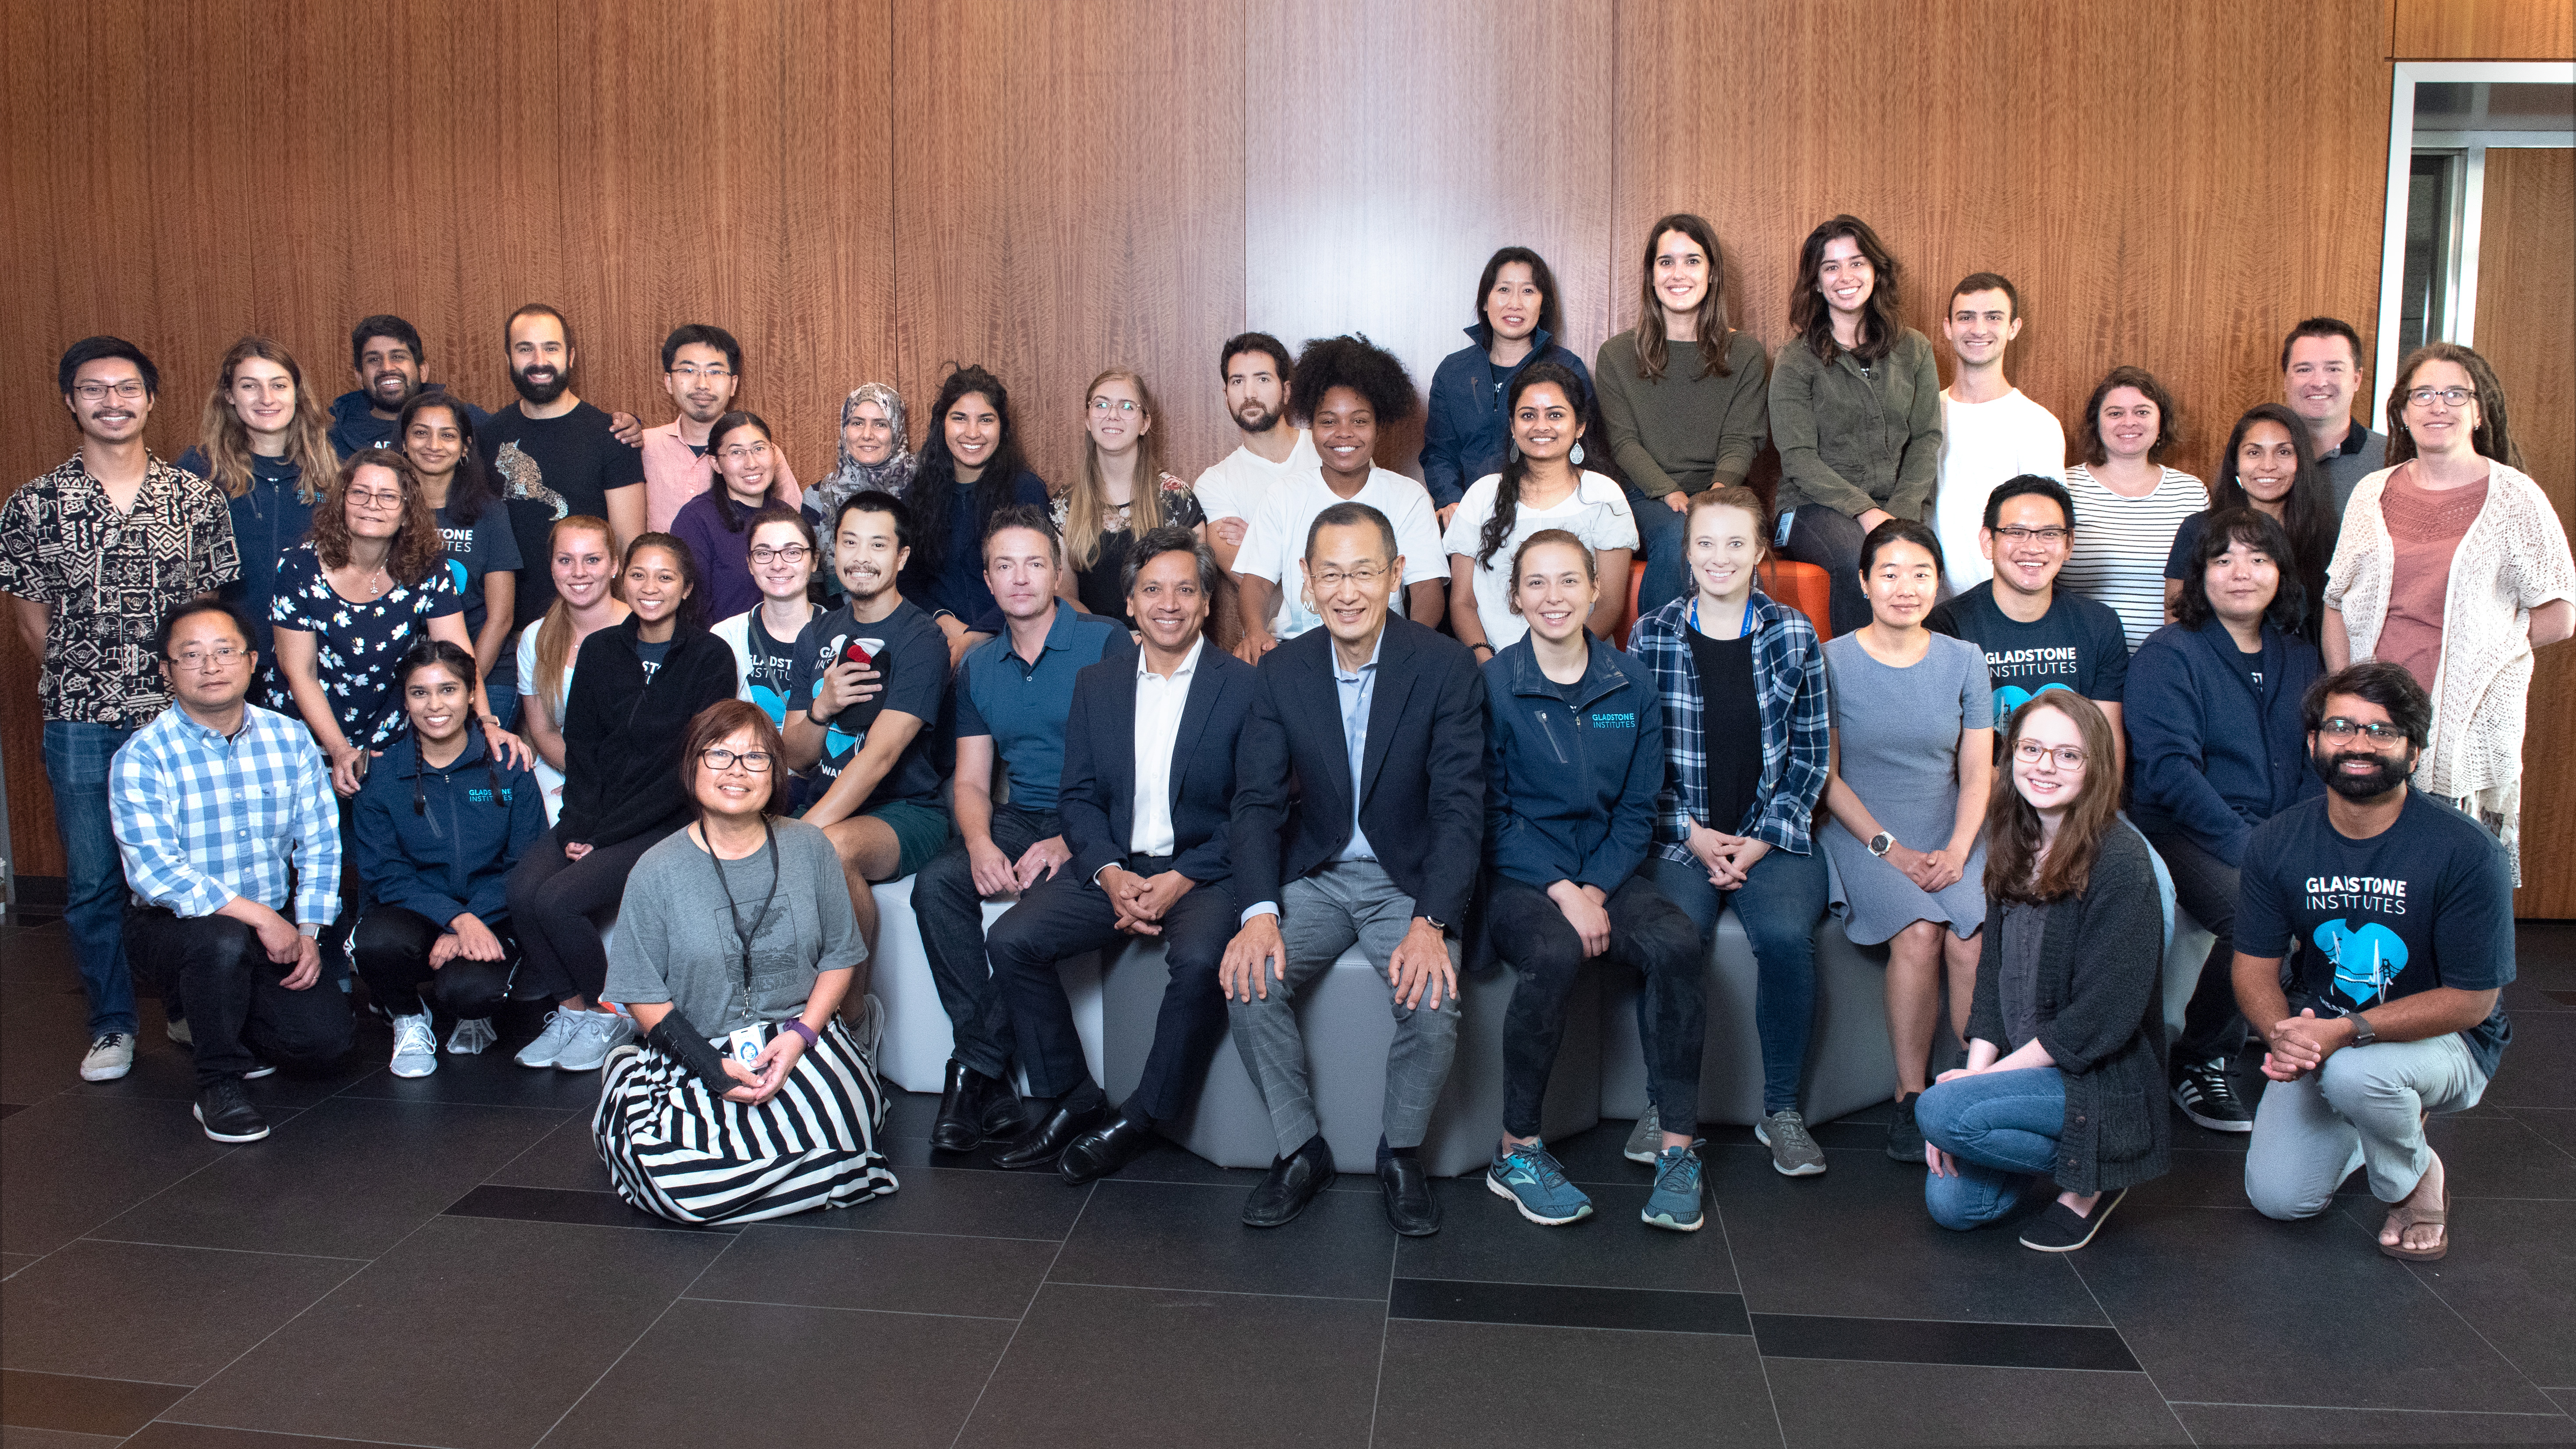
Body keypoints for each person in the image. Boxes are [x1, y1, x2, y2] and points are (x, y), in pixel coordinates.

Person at [1222, 502, 1483, 1237]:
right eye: (1330, 574)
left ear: (1397, 575)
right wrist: (1259, 912)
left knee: (1432, 1006)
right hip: (1319, 873)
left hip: (1408, 879)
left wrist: (1432, 922)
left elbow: (1463, 809)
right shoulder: (1281, 673)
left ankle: (1401, 1154)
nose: (1347, 591)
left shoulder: (1444, 668)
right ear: (1304, 581)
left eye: (1364, 572)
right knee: (1249, 982)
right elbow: (1255, 804)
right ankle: (1300, 1148)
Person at [982, 527, 1256, 1181]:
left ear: (1207, 603)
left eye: (1186, 589)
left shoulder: (1243, 687)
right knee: (1013, 939)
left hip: (1204, 870)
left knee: (1196, 960)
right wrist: (1109, 875)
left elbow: (1256, 810)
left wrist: (1183, 878)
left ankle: (1144, 1114)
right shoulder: (1097, 683)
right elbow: (1077, 798)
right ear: (1129, 603)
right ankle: (1075, 1096)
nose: (1170, 603)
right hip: (1115, 864)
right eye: (1152, 589)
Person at [4, 338, 241, 1082]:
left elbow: (211, 613)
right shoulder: (34, 505)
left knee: (181, 872)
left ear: (151, 399)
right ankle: (111, 1024)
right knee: (95, 881)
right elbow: (30, 621)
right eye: (94, 389)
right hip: (81, 718)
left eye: (127, 388)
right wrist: (93, 681)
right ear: (71, 402)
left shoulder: (195, 498)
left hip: (178, 722)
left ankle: (182, 1002)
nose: (113, 401)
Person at [2237, 662, 2515, 1262]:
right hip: (2326, 1036)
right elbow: (2254, 968)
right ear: (2314, 743)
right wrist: (2284, 1038)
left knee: (2358, 1074)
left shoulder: (2466, 850)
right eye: (2341, 726)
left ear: (2413, 753)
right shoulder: (2278, 840)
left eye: (2383, 731)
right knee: (2281, 1197)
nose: (2359, 743)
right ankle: (2380, 1123)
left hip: (2450, 1041)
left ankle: (2415, 1181)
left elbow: (2474, 1000)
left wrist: (2341, 1034)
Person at [1480, 530, 1708, 1230]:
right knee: (1551, 952)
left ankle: (1677, 1149)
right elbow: (1489, 812)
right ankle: (1516, 1150)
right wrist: (1562, 891)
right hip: (1523, 874)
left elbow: (1640, 808)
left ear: (1595, 590)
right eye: (1537, 584)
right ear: (1516, 597)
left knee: (1679, 943)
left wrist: (1598, 889)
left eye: (1569, 582)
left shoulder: (1626, 684)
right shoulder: (1493, 684)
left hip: (1608, 871)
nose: (1554, 598)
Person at [594, 701, 896, 1225]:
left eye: (756, 758)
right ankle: (808, 1176)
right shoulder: (654, 869)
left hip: (797, 1038)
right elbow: (641, 991)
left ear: (776, 774)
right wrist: (710, 1067)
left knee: (842, 1125)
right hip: (692, 1045)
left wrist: (801, 1033)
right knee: (677, 1184)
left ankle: (781, 1173)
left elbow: (841, 955)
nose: (737, 770)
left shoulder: (810, 848)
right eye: (720, 754)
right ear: (692, 766)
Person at [1915, 692, 2169, 1251]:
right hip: (2026, 1065)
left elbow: (2100, 1019)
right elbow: (1993, 979)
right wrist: (1978, 1071)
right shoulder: (2014, 838)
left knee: (1938, 1108)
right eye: (2031, 748)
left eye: (2067, 754)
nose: (2044, 766)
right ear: (2009, 758)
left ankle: (2102, 1171)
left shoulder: (2120, 860)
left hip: (2096, 1077)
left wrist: (1979, 1088)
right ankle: (2059, 1146)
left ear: (2094, 766)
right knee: (1953, 1206)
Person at [1629, 488, 1832, 1179]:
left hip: (1770, 837)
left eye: (1736, 544)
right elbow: (1637, 753)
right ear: (1686, 553)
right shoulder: (1651, 632)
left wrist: (1763, 838)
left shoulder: (1794, 634)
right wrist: (1689, 830)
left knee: (1782, 939)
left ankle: (1782, 1112)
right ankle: (1664, 1104)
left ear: (1759, 552)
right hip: (1679, 833)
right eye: (1706, 543)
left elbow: (1811, 753)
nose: (1721, 557)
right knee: (1673, 940)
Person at [915, 508, 1131, 1152]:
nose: (1020, 578)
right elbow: (973, 783)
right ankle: (991, 1075)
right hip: (1019, 816)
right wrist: (981, 842)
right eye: (1004, 566)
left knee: (1031, 914)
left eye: (1034, 563)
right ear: (986, 579)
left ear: (1057, 571)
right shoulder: (981, 666)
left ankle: (969, 1073)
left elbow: (1133, 766)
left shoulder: (1106, 641)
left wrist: (1072, 840)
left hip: (1095, 816)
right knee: (937, 885)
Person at [2323, 343, 2574, 883]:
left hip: (2468, 717)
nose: (2438, 405)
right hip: (2375, 711)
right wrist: (2344, 691)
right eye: (2423, 394)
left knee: (2452, 873)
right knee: (2373, 871)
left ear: (2479, 410)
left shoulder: (2514, 497)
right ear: (2403, 411)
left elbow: (2558, 615)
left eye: (2454, 393)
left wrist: (2479, 650)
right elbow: (2336, 602)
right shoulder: (2372, 491)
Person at [111, 598, 349, 1142]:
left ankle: (208, 1016)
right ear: (167, 671)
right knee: (218, 941)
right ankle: (217, 1083)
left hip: (269, 925)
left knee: (323, 1045)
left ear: (252, 661)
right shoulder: (143, 755)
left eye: (225, 651)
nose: (211, 666)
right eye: (190, 656)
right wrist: (264, 918)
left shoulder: (289, 738)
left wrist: (309, 932)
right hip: (173, 926)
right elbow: (154, 872)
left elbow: (320, 843)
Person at [506, 534, 738, 1073]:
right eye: (638, 574)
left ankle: (610, 1012)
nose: (649, 587)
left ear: (684, 589)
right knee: (521, 891)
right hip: (596, 812)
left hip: (666, 819)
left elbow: (691, 766)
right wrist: (579, 824)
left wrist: (604, 837)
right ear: (622, 579)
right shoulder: (602, 649)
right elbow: (582, 747)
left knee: (558, 902)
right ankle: (572, 1013)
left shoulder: (709, 656)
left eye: (664, 577)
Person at [2132, 507, 2324, 1129]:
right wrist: (2254, 849)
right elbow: (2170, 772)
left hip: (2276, 830)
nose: (2241, 573)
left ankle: (2304, 1040)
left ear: (2281, 573)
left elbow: (2311, 759)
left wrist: (2289, 840)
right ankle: (2198, 1059)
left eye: (2258, 558)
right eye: (2223, 560)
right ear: (2200, 575)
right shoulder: (2171, 653)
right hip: (2184, 828)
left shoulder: (2300, 655)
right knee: (2253, 913)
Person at [1818, 520, 1993, 1161]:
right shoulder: (1831, 659)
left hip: (1952, 825)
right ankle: (1911, 1097)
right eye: (1888, 573)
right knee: (1920, 933)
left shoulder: (1965, 660)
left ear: (1938, 582)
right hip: (1865, 828)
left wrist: (1956, 846)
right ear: (1863, 582)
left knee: (1970, 939)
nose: (1905, 587)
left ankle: (1976, 1091)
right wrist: (1891, 848)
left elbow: (1978, 771)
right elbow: (1828, 777)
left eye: (1920, 573)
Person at [351, 640, 546, 1076]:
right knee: (375, 943)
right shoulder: (381, 775)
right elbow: (386, 874)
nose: (435, 705)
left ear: (471, 695)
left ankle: (473, 1014)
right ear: (405, 700)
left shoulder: (509, 765)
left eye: (448, 690)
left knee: (472, 991)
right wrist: (457, 920)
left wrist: (475, 916)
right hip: (412, 912)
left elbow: (527, 861)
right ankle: (407, 1015)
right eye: (420, 692)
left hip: (494, 910)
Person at [270, 450, 513, 797]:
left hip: (390, 732)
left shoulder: (428, 567)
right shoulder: (298, 567)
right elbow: (300, 671)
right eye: (360, 493)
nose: (372, 505)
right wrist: (339, 750)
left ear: (406, 512)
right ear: (342, 501)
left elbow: (457, 654)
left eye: (388, 497)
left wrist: (485, 721)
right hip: (308, 730)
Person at [782, 492, 954, 958]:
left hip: (903, 812)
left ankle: (854, 1021)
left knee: (831, 850)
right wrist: (822, 706)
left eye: (878, 546)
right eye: (850, 542)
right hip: (824, 801)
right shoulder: (816, 633)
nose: (860, 558)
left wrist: (803, 835)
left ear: (901, 557)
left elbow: (879, 758)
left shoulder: (920, 638)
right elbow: (797, 758)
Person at [1769, 215, 1944, 637]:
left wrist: (1898, 515)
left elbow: (1926, 439)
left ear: (1876, 271)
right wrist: (1867, 513)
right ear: (1816, 281)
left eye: (1857, 263)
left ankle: (1913, 678)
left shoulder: (1914, 348)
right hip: (1812, 508)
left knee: (1916, 561)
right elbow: (1798, 459)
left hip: (1895, 504)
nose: (1845, 277)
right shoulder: (1796, 359)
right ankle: (1858, 686)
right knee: (1862, 560)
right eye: (1831, 267)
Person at [1594, 214, 1770, 614]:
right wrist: (1672, 494)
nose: (1679, 274)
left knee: (1724, 532)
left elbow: (1741, 439)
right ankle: (1658, 656)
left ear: (1712, 275)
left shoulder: (1745, 355)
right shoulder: (1618, 355)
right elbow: (1624, 443)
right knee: (1681, 534)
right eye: (1666, 262)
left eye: (1693, 261)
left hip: (1724, 492)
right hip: (1647, 496)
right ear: (1651, 276)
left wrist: (1716, 495)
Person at [1231, 336, 1445, 660]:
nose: (1344, 432)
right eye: (1328, 421)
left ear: (1378, 426)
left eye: (1359, 421)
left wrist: (1409, 648)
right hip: (1298, 651)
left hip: (1383, 650)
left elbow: (1428, 590)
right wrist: (1256, 631)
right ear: (1311, 427)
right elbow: (1256, 584)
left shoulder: (1407, 496)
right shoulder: (1283, 496)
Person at [1925, 476, 2130, 772]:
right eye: (2016, 532)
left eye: (2049, 533)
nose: (2033, 547)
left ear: (2069, 543)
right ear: (1988, 542)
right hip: (1985, 801)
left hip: (2074, 800)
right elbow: (1948, 752)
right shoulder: (1946, 626)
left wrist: (2078, 815)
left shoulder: (2099, 624)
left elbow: (2108, 744)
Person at [178, 337, 335, 710]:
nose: (267, 398)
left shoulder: (333, 469)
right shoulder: (199, 471)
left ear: (297, 392)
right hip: (226, 665)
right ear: (229, 395)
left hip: (319, 660)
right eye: (250, 386)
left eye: (279, 385)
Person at [1443, 362, 1637, 655]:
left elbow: (1609, 604)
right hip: (1493, 667)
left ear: (1580, 426)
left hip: (1580, 664)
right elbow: (1462, 602)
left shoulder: (1604, 495)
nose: (1541, 426)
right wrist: (1487, 661)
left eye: (1555, 415)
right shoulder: (1482, 495)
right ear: (1512, 425)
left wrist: (1561, 662)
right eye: (1528, 415)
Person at [478, 303, 648, 632]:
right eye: (525, 349)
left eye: (551, 348)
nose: (539, 361)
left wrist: (621, 635)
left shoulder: (611, 436)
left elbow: (628, 549)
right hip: (508, 630)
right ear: (509, 358)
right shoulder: (490, 436)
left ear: (570, 357)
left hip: (595, 629)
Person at [1422, 246, 1594, 524]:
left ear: (1543, 304)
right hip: (1468, 514)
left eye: (1528, 291)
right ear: (1485, 301)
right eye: (1504, 290)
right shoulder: (1453, 371)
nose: (1515, 303)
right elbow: (1439, 452)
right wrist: (1450, 500)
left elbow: (1588, 450)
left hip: (1547, 514)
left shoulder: (1567, 368)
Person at [898, 365, 1050, 665]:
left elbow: (1038, 578)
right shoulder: (916, 494)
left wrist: (975, 635)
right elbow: (907, 581)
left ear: (1002, 428)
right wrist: (942, 619)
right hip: (939, 640)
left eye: (985, 420)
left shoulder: (1026, 490)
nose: (972, 432)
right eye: (959, 418)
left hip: (1015, 643)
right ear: (942, 424)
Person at [1928, 274, 2065, 595]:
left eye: (1993, 317)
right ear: (1948, 327)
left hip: (2002, 609)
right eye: (1966, 317)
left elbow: (2047, 532)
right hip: (1926, 610)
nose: (1979, 329)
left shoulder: (2037, 424)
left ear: (2014, 327)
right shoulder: (1923, 414)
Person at [399, 391, 525, 726]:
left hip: (485, 672)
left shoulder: (491, 513)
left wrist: (463, 688)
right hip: (407, 677)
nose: (433, 444)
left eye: (448, 435)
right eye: (421, 432)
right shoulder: (385, 511)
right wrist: (429, 689)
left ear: (465, 446)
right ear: (404, 442)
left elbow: (501, 617)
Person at [2162, 404, 2338, 643]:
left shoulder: (2326, 534)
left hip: (2302, 673)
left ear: (2302, 462)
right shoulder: (2199, 530)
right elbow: (2177, 626)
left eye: (2284, 452)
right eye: (2254, 453)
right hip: (2213, 673)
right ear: (2236, 462)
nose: (2268, 465)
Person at [2059, 365, 2205, 652]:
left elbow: (2206, 587)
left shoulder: (2191, 492)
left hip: (2167, 662)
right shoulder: (2064, 487)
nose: (2129, 422)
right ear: (2097, 423)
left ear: (2161, 421)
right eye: (2115, 413)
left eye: (2142, 412)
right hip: (2084, 661)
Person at [1054, 369, 1204, 629]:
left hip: (1165, 643)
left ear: (1145, 423)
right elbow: (1064, 599)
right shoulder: (1065, 505)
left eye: (1127, 406)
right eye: (1101, 405)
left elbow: (1195, 594)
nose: (1112, 415)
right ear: (1088, 420)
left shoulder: (1176, 498)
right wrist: (1115, 642)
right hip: (1094, 648)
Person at [515, 515, 628, 823]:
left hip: (631, 777)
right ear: (552, 566)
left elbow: (653, 740)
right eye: (566, 560)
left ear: (615, 566)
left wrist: (597, 784)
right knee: (534, 817)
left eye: (592, 559)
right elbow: (543, 730)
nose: (579, 572)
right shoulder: (535, 636)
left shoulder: (642, 632)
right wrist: (582, 776)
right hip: (561, 764)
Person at [641, 324, 799, 534]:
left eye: (715, 372)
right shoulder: (643, 446)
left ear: (733, 384)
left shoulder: (761, 455)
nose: (702, 384)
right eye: (689, 370)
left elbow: (795, 529)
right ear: (669, 381)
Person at [1192, 333, 1316, 580]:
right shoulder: (1214, 483)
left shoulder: (1334, 448)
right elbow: (1254, 585)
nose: (1249, 393)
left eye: (1262, 379)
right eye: (1237, 381)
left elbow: (1364, 546)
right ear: (1226, 395)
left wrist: (1265, 540)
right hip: (1278, 621)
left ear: (1286, 391)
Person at [710, 507, 822, 744]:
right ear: (750, 564)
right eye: (763, 554)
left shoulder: (841, 635)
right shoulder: (725, 637)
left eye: (792, 552)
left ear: (815, 561)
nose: (778, 565)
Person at [671, 410, 793, 621]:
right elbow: (691, 610)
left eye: (759, 449)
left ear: (774, 453)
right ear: (716, 463)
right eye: (737, 453)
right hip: (719, 648)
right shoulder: (696, 520)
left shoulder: (786, 516)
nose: (752, 463)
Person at [804, 383, 918, 593]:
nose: (867, 434)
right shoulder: (819, 496)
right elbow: (812, 579)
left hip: (913, 616)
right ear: (844, 428)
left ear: (897, 429)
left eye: (880, 424)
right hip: (839, 618)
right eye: (857, 423)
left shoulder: (924, 489)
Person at [329, 314, 491, 457]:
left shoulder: (467, 420)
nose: (387, 368)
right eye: (374, 360)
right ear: (359, 377)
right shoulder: (334, 437)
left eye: (398, 357)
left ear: (422, 371)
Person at [2280, 317, 2387, 510]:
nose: (2319, 382)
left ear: (2357, 379)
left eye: (2334, 369)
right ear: (2286, 381)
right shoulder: (2256, 461)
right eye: (2304, 369)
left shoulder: (2392, 460)